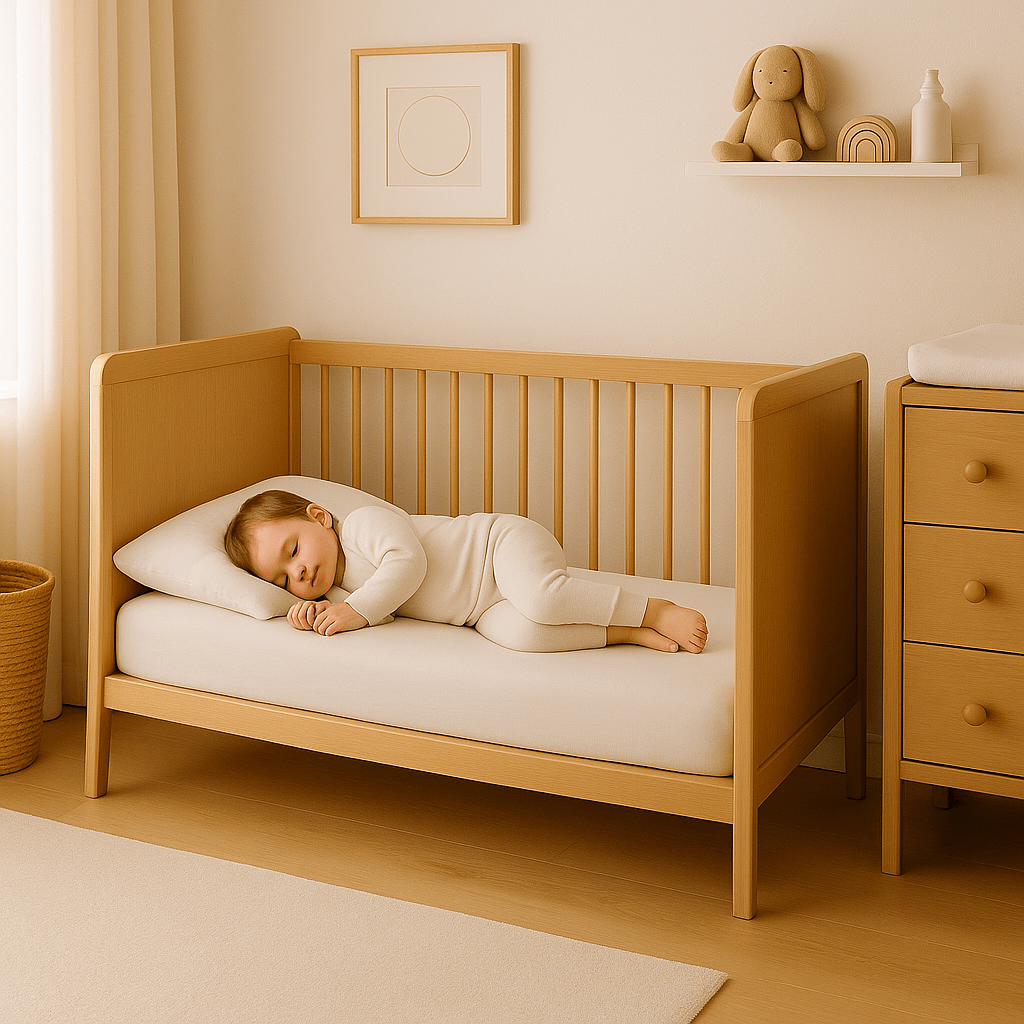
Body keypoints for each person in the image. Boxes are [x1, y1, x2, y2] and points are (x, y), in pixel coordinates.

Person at [224, 489, 708, 655]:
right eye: (283, 581)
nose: (299, 573)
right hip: (481, 609)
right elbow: (385, 612)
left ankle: (655, 609)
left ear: (318, 517)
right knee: (524, 635)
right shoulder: (341, 586)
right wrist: (318, 612)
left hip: (498, 547)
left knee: (543, 599)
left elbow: (407, 566)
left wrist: (351, 610)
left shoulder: (363, 525)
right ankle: (625, 632)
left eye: (292, 551)